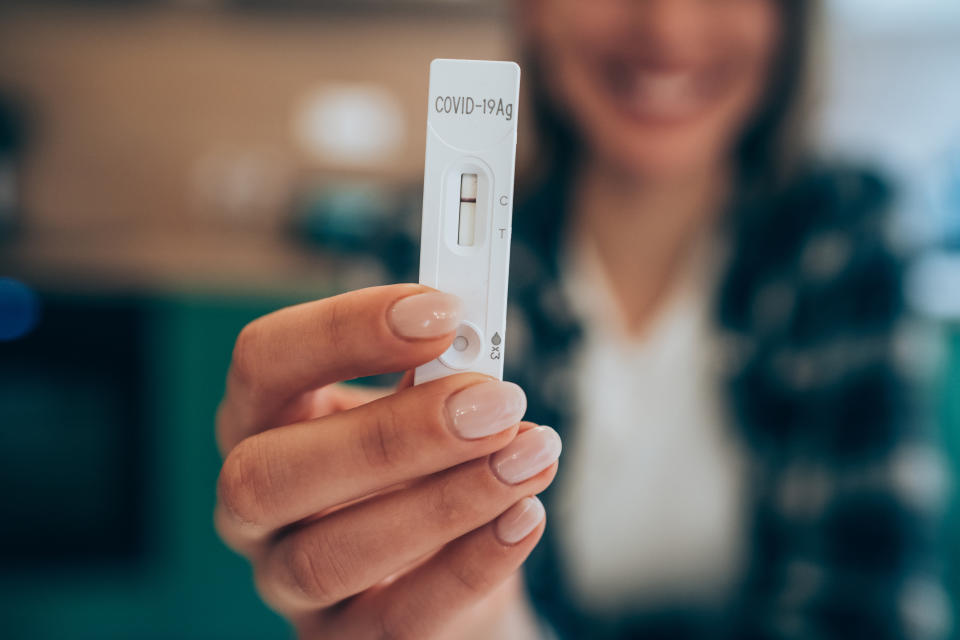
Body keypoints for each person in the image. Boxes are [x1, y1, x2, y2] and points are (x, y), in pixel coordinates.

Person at [213, 1, 944, 638]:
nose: (667, 25)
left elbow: (870, 610)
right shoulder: (417, 259)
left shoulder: (845, 242)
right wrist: (471, 619)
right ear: (533, 7)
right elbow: (415, 593)